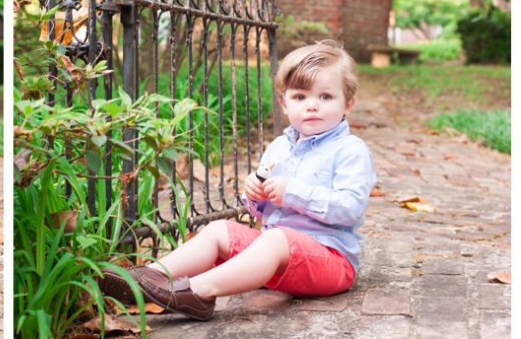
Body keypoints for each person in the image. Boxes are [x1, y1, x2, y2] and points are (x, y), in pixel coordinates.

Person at [101, 39, 375, 320]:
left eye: (326, 97)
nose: (312, 106)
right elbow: (262, 210)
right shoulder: (280, 147)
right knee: (220, 230)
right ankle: (148, 277)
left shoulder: (350, 150)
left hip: (331, 262)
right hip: (275, 260)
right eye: (300, 97)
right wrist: (255, 195)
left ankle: (196, 292)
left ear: (348, 104)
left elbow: (350, 208)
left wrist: (292, 192)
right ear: (284, 103)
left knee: (276, 239)